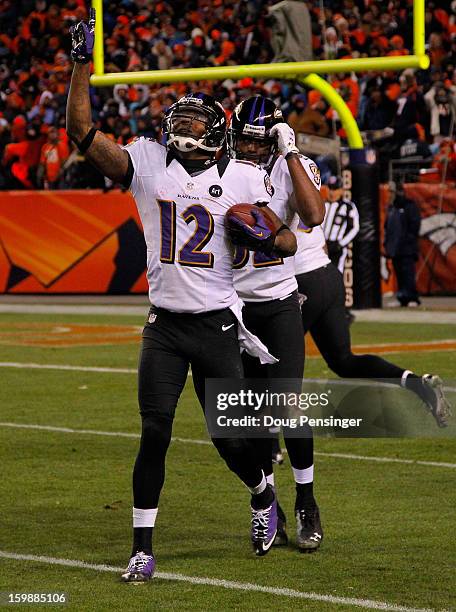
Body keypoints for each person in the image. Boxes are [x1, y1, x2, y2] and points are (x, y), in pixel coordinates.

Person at [67, 11, 288, 582]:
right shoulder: (146, 163)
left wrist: (268, 235)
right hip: (163, 325)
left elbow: (288, 235)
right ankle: (142, 546)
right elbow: (81, 133)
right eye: (180, 118)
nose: (185, 127)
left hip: (215, 323)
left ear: (216, 132)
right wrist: (79, 65)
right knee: (155, 431)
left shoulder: (241, 177)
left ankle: (263, 493)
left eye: (196, 119)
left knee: (227, 437)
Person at [228, 96, 326, 552]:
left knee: (288, 403)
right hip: (233, 306)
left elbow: (313, 215)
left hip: (279, 301)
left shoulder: (292, 164)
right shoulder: (218, 167)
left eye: (255, 142)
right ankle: (272, 506)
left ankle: (307, 501)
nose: (247, 149)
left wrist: (289, 152)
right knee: (248, 417)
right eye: (242, 140)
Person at [294, 191, 451, 429]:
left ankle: (270, 442)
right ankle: (418, 385)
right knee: (343, 361)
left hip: (302, 279)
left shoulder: (271, 182)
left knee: (275, 360)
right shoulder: (304, 187)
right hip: (327, 274)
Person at [384, 182, 421, 307]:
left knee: (407, 273)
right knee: (399, 274)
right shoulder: (391, 208)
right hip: (395, 248)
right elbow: (387, 227)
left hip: (406, 248)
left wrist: (407, 242)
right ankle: (402, 298)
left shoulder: (409, 206)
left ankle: (412, 297)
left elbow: (414, 226)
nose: (389, 195)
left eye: (391, 192)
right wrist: (387, 244)